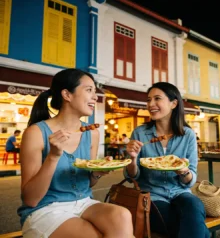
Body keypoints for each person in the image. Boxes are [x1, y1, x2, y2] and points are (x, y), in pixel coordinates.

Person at [17, 69, 134, 238]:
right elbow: (30, 199)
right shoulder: (36, 133)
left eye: (95, 91)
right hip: (45, 208)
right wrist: (53, 157)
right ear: (67, 95)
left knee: (122, 215)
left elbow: (88, 184)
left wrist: (97, 173)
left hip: (84, 203)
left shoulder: (92, 133)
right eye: (89, 90)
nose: (95, 97)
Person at [125, 82, 209, 238]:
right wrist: (132, 159)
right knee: (192, 226)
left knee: (194, 205)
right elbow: (132, 176)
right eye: (149, 99)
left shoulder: (188, 135)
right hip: (151, 196)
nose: (151, 104)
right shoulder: (140, 133)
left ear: (174, 103)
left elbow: (191, 180)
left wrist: (184, 172)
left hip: (180, 193)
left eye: (157, 99)